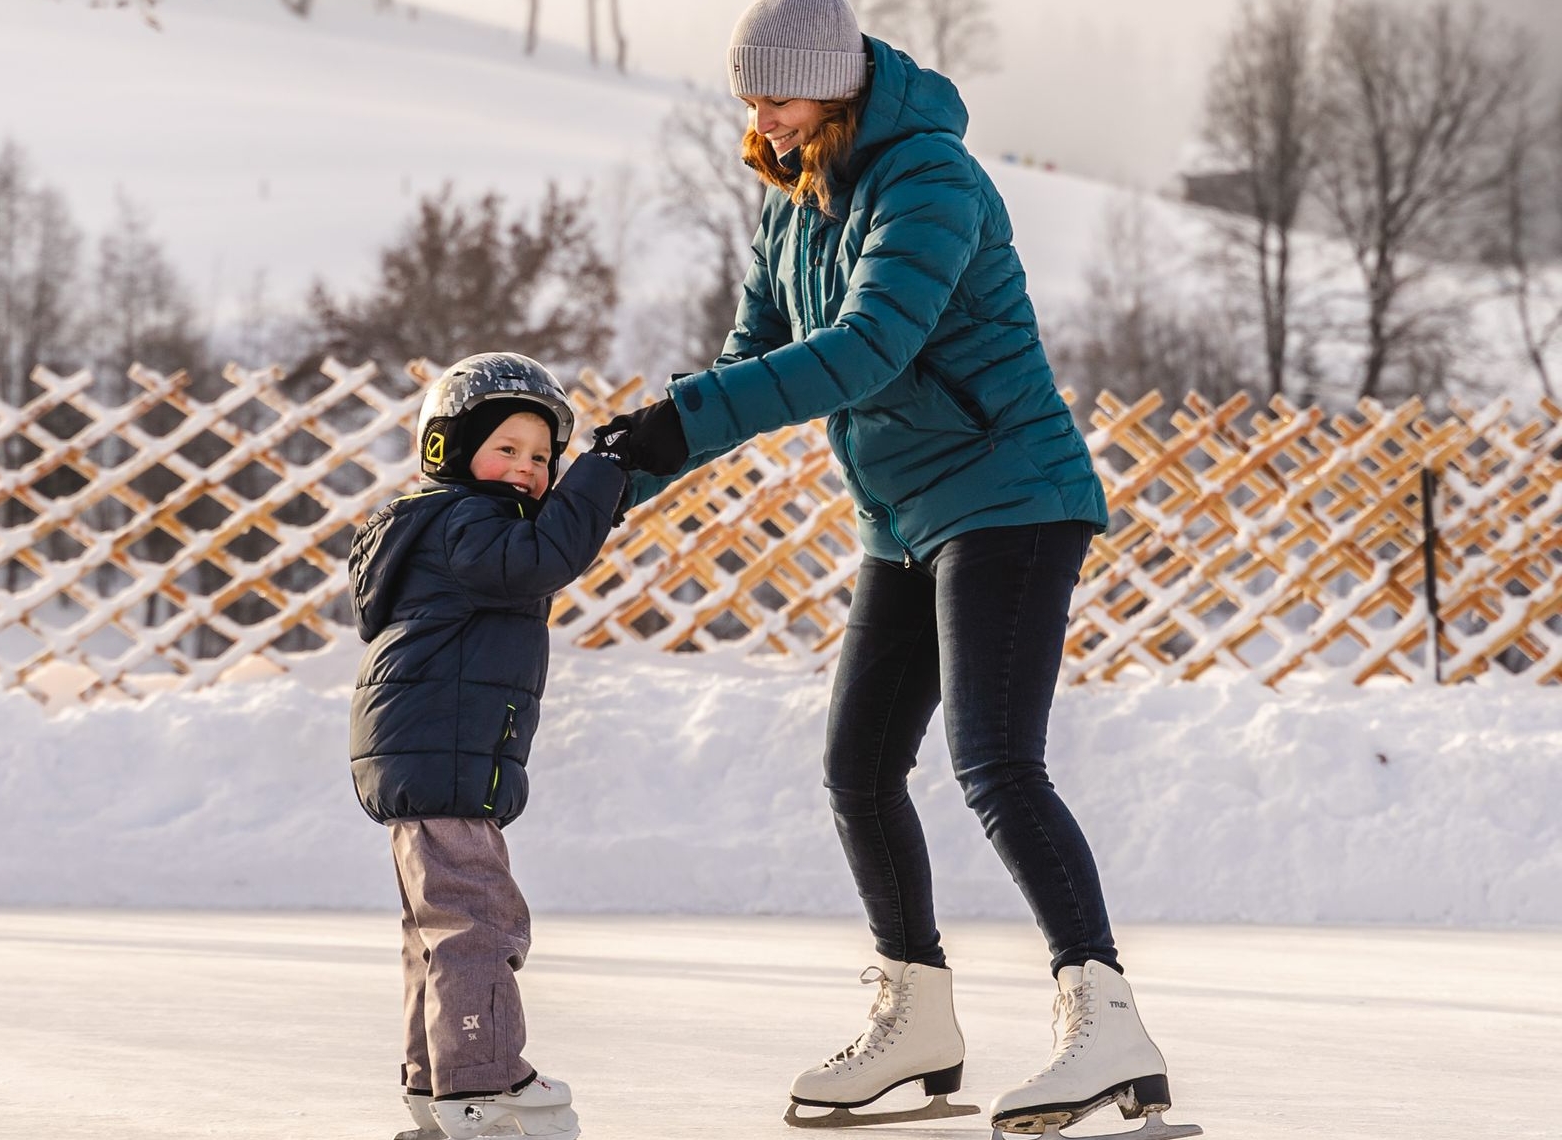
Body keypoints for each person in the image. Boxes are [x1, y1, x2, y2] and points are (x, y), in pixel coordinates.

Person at [613, 2, 1196, 1135]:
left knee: (995, 765)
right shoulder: (791, 204)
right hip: (905, 512)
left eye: (778, 96)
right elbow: (751, 359)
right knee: (857, 769)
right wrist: (614, 472)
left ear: (835, 87)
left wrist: (679, 424)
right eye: (749, 98)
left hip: (1009, 494)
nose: (762, 120)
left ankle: (1104, 1016)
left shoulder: (928, 178)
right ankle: (918, 1013)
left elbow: (867, 347)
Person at [347, 352, 681, 1140]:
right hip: (443, 757)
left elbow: (548, 542)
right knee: (477, 922)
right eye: (507, 450)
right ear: (450, 451)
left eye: (542, 458)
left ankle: (437, 1087)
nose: (528, 471)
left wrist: (606, 483)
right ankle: (484, 1084)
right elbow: (545, 557)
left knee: (434, 931)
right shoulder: (467, 523)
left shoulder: (446, 526)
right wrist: (606, 467)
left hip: (427, 756)